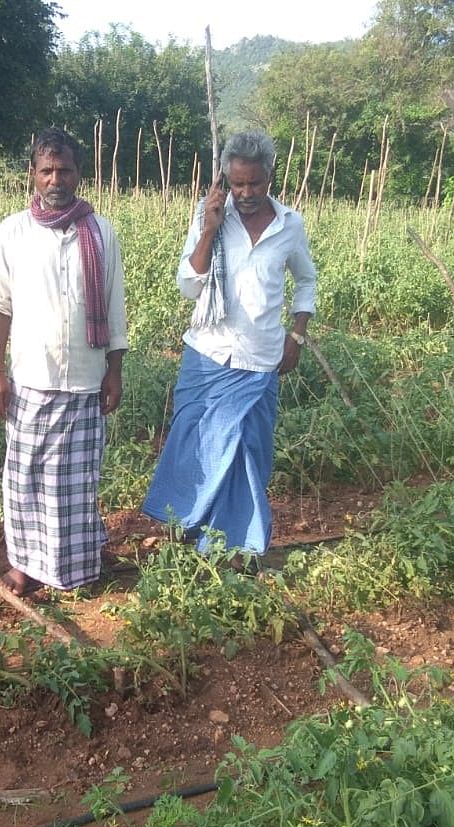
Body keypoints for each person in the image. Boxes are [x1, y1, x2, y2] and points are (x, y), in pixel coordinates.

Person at [142, 130, 317, 557]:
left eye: (254, 183)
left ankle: (238, 546)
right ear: (226, 179)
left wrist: (297, 333)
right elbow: (188, 284)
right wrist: (208, 230)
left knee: (247, 454)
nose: (245, 192)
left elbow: (306, 279)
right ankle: (187, 532)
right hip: (207, 355)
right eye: (237, 183)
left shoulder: (289, 225)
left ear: (269, 177)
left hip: (260, 360)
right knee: (196, 446)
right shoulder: (213, 216)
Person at [0, 128, 129, 596]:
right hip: (31, 378)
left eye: (64, 169)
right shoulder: (13, 232)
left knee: (77, 482)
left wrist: (115, 370)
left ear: (78, 173)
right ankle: (24, 566)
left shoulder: (100, 231)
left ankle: (76, 569)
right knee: (24, 476)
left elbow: (115, 304)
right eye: (46, 170)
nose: (55, 179)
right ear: (33, 174)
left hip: (86, 379)